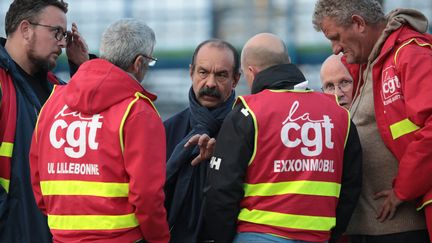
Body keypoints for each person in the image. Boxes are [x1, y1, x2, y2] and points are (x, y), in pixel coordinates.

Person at [203, 33, 362, 243]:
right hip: (318, 236)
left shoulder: (248, 113)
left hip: (257, 234)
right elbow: (351, 186)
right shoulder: (338, 115)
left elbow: (221, 190)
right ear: (288, 63)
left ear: (251, 72)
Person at [29, 18, 169, 242]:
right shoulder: (138, 111)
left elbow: (37, 173)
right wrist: (159, 238)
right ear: (139, 62)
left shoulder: (54, 102)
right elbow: (147, 195)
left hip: (62, 236)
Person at [313, 0, 431, 242]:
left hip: (401, 226)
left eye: (336, 37)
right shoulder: (366, 64)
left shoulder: (410, 53)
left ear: (358, 23)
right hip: (365, 227)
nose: (335, 49)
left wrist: (403, 190)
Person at [0, 0, 88, 242]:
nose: (62, 42)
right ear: (26, 29)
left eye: (66, 34)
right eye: (56, 32)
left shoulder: (57, 90)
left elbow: (96, 133)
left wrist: (82, 67)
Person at [163, 39, 241, 242]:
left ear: (236, 79)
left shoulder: (247, 129)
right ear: (191, 73)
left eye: (221, 75)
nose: (210, 83)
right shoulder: (167, 129)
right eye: (203, 72)